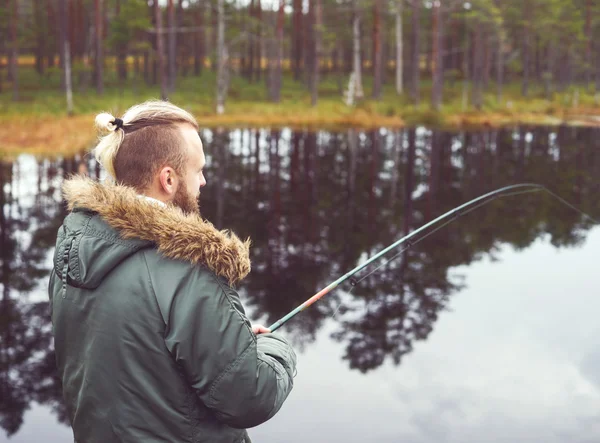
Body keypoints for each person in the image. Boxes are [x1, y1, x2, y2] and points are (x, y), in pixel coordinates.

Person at [48, 100, 297, 443]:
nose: (204, 182)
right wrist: (274, 348)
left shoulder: (72, 250)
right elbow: (248, 397)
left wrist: (229, 340)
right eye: (198, 171)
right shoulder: (189, 269)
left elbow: (135, 352)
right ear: (168, 179)